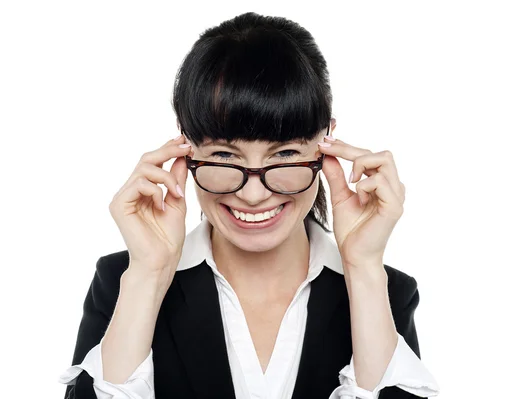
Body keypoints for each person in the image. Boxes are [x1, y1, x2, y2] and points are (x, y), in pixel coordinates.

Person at [58, 12, 440, 399]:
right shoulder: (123, 281)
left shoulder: (384, 291)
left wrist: (362, 268)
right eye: (224, 156)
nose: (254, 194)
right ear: (184, 145)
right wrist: (148, 274)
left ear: (326, 142)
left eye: (286, 154)